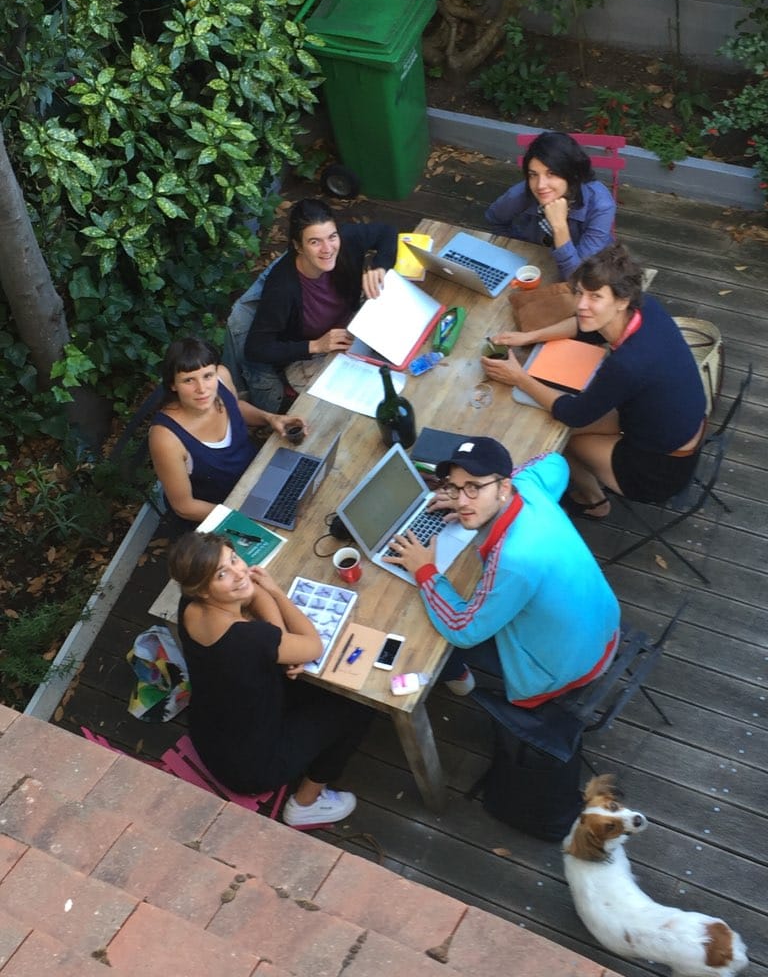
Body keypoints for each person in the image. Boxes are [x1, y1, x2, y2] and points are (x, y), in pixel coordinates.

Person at [384, 437, 620, 706]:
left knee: (435, 641)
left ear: (504, 487)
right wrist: (479, 498)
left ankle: (458, 677)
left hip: (564, 669)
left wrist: (424, 570)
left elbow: (463, 629)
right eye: (455, 488)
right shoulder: (528, 486)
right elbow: (555, 462)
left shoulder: (513, 560)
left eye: (474, 487)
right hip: (605, 625)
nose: (461, 502)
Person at [482, 244, 707, 519]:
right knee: (567, 421)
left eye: (595, 297)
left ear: (622, 300)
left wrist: (519, 377)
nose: (581, 304)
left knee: (562, 441)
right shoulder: (645, 308)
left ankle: (594, 501)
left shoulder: (627, 364)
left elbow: (573, 414)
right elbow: (585, 326)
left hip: (660, 468)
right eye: (579, 293)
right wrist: (529, 337)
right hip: (679, 426)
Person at [168, 531, 370, 826]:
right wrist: (277, 595)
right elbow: (314, 645)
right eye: (222, 574)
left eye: (234, 559)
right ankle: (306, 803)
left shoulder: (189, 606)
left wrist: (281, 643)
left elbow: (253, 595)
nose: (239, 573)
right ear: (203, 589)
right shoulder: (249, 638)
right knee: (357, 706)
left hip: (211, 735)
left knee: (308, 688)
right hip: (253, 767)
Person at [242, 198, 398, 411]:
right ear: (298, 246)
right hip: (312, 355)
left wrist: (379, 267)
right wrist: (315, 345)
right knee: (357, 404)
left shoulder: (346, 240)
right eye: (315, 242)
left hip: (353, 330)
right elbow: (256, 348)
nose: (327, 249)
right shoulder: (283, 287)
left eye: (332, 237)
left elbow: (387, 232)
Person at [148, 337, 306, 526]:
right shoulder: (165, 438)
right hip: (221, 512)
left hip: (259, 477)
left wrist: (270, 418)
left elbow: (235, 406)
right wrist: (244, 517)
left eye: (207, 376)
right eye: (189, 380)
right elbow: (185, 507)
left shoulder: (222, 376)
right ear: (173, 384)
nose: (202, 389)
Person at [485, 131, 615, 279]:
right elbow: (494, 219)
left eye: (551, 173)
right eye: (533, 174)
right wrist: (519, 251)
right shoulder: (521, 194)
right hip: (534, 265)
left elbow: (576, 279)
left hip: (593, 274)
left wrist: (559, 226)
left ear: (571, 174)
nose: (540, 185)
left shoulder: (600, 205)